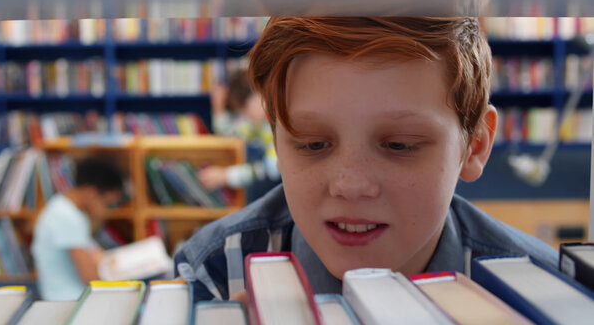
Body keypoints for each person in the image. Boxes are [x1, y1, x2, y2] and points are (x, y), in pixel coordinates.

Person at [173, 17, 558, 302]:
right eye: (312, 144)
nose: (350, 184)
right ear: (275, 138)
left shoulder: (549, 293)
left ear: (474, 146)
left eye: (400, 146)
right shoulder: (214, 274)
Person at [31, 156, 124, 300]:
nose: (107, 211)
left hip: (73, 298)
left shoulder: (71, 212)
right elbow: (89, 276)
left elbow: (96, 255)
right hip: (68, 301)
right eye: (108, 204)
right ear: (91, 193)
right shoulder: (65, 217)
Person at [197, 68, 281, 202]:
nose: (244, 115)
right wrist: (218, 109)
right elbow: (233, 134)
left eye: (244, 109)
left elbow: (271, 169)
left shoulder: (275, 125)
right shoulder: (258, 123)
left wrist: (227, 176)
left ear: (259, 94)